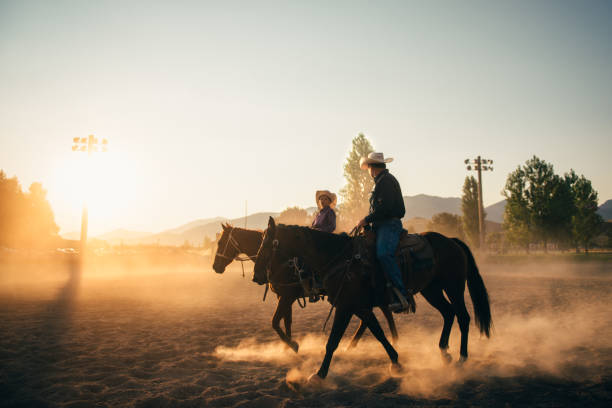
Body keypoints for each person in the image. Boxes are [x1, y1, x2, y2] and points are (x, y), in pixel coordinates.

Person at [355, 152, 414, 313]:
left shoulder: (386, 181)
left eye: (368, 167)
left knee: (383, 253)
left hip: (389, 224)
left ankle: (401, 295)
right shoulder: (380, 182)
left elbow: (385, 208)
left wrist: (365, 220)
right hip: (380, 225)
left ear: (373, 167)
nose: (368, 170)